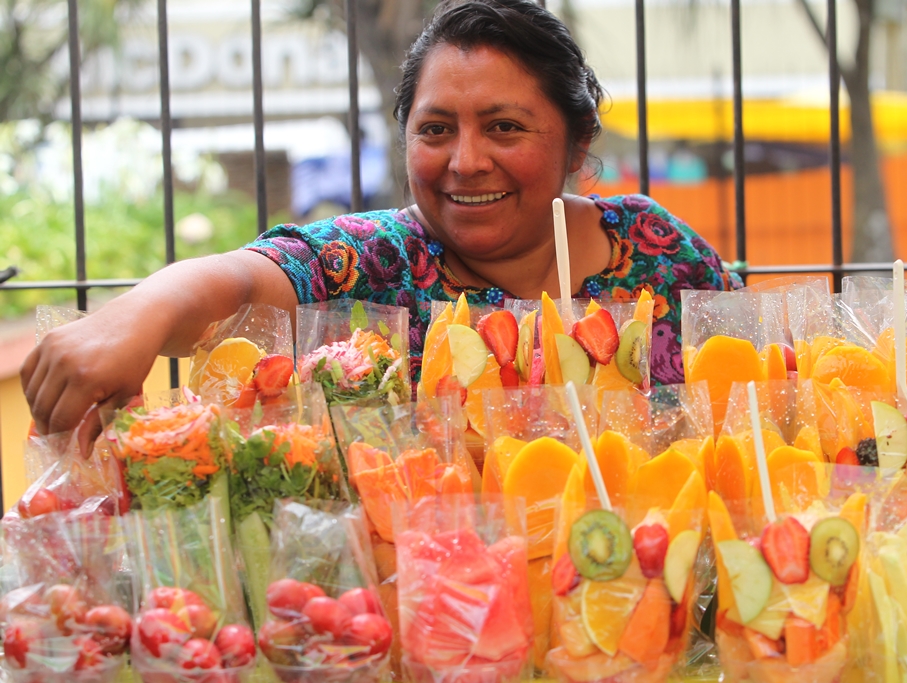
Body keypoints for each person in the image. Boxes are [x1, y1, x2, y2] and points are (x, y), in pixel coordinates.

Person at [21, 0, 741, 445]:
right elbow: (238, 280)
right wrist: (133, 318)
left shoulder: (655, 251)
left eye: (504, 126)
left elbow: (764, 394)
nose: (465, 161)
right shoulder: (378, 263)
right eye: (435, 129)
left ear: (578, 143)